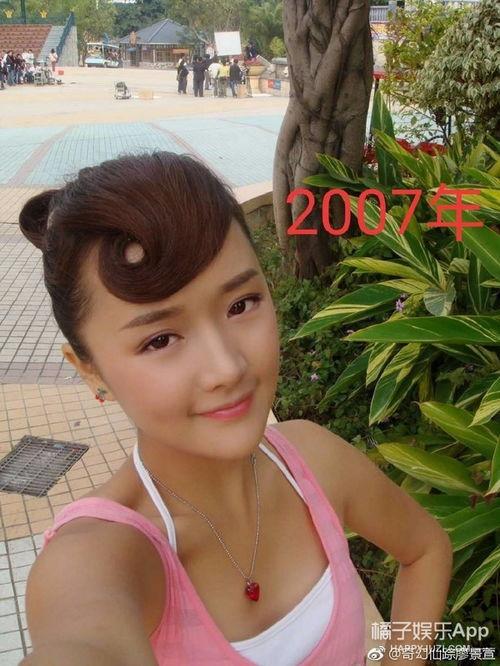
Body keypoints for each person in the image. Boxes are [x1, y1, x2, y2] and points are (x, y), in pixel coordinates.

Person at [18, 153, 453, 665]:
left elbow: (425, 550)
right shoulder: (100, 556)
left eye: (240, 304)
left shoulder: (314, 461)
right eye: (160, 339)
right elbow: (81, 641)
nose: (227, 367)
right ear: (89, 370)